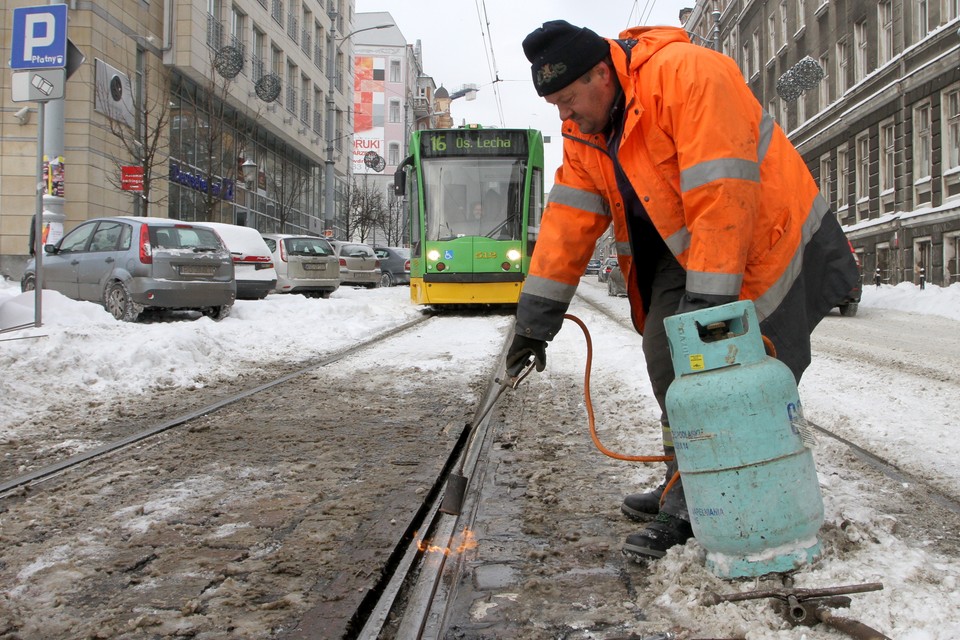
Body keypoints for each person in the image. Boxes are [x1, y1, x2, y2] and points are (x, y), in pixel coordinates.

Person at [505, 20, 859, 561]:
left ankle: (704, 502)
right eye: (555, 104)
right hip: (691, 249)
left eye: (569, 99)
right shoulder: (585, 134)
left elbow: (724, 190)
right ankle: (688, 482)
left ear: (602, 73)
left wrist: (709, 303)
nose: (564, 115)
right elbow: (567, 224)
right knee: (667, 356)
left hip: (766, 238)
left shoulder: (688, 75)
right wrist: (534, 322)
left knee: (724, 373)